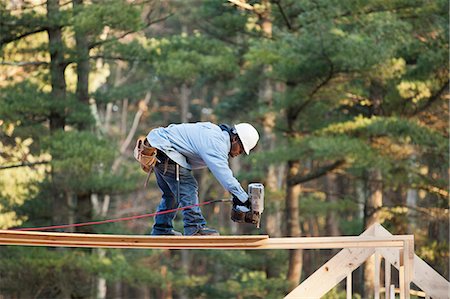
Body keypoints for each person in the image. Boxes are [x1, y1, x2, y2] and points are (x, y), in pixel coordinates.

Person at [144, 122, 259, 236]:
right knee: (189, 186)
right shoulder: (216, 143)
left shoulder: (215, 134)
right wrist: (243, 197)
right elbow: (224, 175)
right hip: (165, 148)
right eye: (241, 148)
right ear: (234, 139)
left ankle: (161, 229)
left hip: (158, 146)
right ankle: (194, 227)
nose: (240, 153)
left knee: (172, 195)